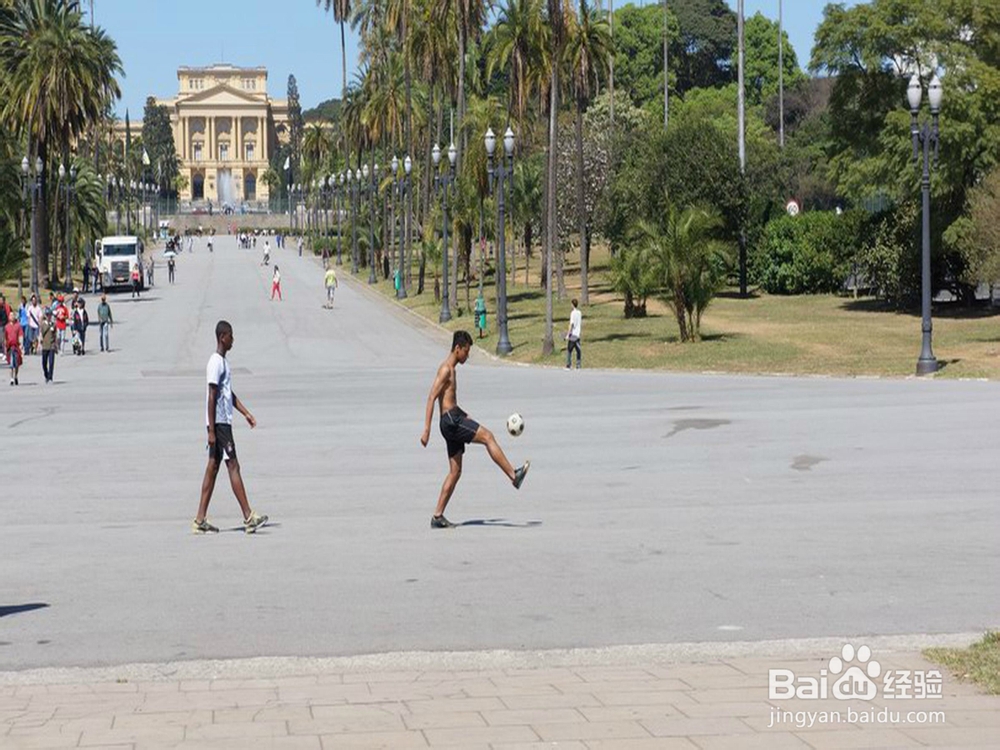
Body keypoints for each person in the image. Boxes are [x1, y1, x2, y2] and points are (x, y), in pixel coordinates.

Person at [420, 331, 530, 529]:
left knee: (455, 472)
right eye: (467, 351)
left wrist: (464, 414)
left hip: (453, 418)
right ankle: (514, 476)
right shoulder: (446, 369)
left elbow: (449, 401)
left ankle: (437, 516)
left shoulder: (452, 370)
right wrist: (426, 430)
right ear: (457, 349)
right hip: (451, 421)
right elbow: (431, 397)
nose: (468, 356)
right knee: (488, 436)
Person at [193, 320, 269, 535]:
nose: (233, 340)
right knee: (233, 465)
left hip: (222, 421)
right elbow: (211, 395)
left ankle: (200, 519)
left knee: (213, 468)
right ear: (222, 337)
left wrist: (246, 413)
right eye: (231, 336)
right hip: (219, 424)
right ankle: (248, 516)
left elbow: (228, 395)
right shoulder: (215, 362)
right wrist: (210, 429)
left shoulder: (224, 363)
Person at [5, 310, 23, 386]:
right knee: (11, 364)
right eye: (10, 316)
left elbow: (20, 335)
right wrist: (5, 347)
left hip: (16, 347)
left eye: (13, 316)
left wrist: (21, 345)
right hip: (10, 347)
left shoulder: (18, 326)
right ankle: (11, 378)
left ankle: (16, 376)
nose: (11, 317)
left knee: (17, 364)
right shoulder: (7, 327)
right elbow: (5, 338)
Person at [39, 309, 56, 383]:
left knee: (51, 362)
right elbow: (40, 334)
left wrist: (56, 344)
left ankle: (50, 377)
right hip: (45, 346)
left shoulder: (53, 324)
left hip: (51, 345)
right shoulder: (43, 325)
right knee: (44, 362)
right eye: (47, 315)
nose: (49, 316)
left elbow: (55, 335)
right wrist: (40, 342)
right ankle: (46, 374)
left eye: (50, 315)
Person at [565, 298, 582, 369]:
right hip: (578, 334)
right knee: (578, 350)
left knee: (569, 350)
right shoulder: (579, 313)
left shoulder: (572, 313)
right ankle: (578, 365)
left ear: (572, 305)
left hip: (573, 335)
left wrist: (568, 335)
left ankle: (568, 365)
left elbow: (571, 325)